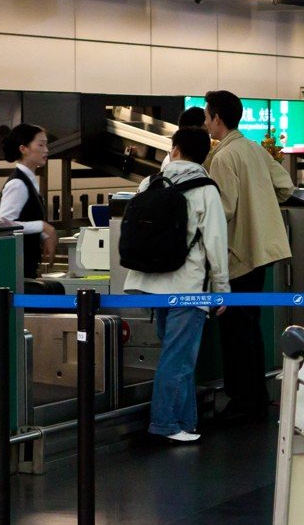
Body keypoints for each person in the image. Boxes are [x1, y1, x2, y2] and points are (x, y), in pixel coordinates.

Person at [123, 127, 230, 443]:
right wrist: (222, 290)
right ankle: (166, 424)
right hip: (185, 285)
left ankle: (185, 422)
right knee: (178, 358)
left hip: (147, 282)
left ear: (175, 149)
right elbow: (215, 242)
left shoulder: (150, 182)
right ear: (204, 155)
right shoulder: (206, 188)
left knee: (177, 356)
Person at [202, 90, 294, 422]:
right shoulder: (254, 148)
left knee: (236, 330)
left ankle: (242, 400)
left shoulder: (224, 157)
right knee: (250, 325)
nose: (205, 122)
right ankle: (255, 395)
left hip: (239, 252)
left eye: (207, 115)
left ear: (217, 118)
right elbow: (285, 187)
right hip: (264, 248)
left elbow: (224, 208)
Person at [0, 123, 57, 279]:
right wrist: (42, 226)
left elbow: (26, 218)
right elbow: (4, 224)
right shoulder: (18, 183)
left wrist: (43, 234)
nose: (46, 150)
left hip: (27, 261)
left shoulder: (29, 180)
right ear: (23, 149)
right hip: (17, 264)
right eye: (40, 144)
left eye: (46, 144)